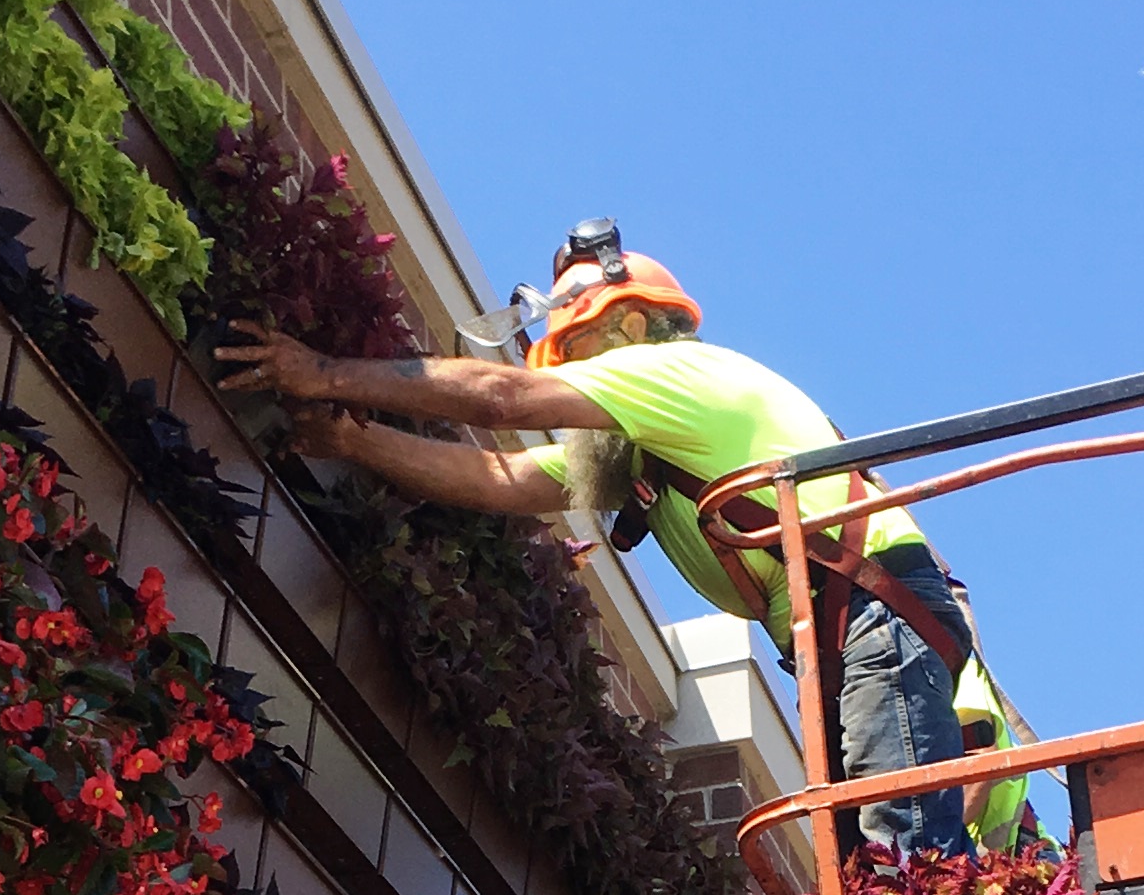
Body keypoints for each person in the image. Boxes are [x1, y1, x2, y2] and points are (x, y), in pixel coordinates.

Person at [217, 219, 981, 855]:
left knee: (900, 857)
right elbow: (507, 484)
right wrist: (357, 444)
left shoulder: (672, 373)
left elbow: (504, 397)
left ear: (635, 324)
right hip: (859, 632)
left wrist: (321, 370)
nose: (575, 388)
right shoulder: (651, 449)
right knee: (876, 867)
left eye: (578, 353)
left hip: (877, 612)